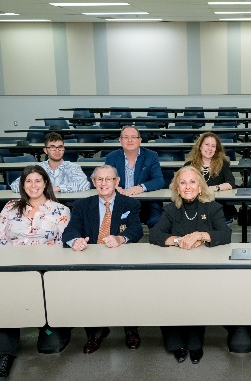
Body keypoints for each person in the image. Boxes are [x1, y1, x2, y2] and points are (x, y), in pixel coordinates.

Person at [0, 165, 70, 381]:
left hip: (45, 272)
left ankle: (52, 327)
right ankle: (3, 357)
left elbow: (64, 245)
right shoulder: (11, 207)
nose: (33, 186)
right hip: (14, 268)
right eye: (28, 181)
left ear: (45, 184)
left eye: (38, 181)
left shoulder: (60, 210)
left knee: (48, 346)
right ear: (23, 185)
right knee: (7, 307)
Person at [149, 166, 231, 364]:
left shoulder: (212, 208)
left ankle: (195, 344)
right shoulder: (170, 209)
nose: (188, 187)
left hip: (202, 270)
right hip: (174, 269)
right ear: (177, 188)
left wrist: (202, 235)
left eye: (192, 182)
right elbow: (155, 235)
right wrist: (179, 241)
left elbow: (226, 234)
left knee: (197, 295)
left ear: (200, 187)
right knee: (169, 296)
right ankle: (176, 344)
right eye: (183, 183)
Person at [62, 165, 144, 354]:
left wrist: (120, 238)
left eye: (108, 179)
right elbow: (71, 230)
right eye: (99, 179)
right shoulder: (82, 205)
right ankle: (96, 331)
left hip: (120, 257)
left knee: (127, 288)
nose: (104, 183)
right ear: (93, 182)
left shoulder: (130, 204)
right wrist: (76, 241)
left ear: (117, 182)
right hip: (91, 257)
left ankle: (130, 327)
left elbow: (136, 229)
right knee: (89, 291)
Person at [104, 125, 164, 227]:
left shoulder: (151, 156)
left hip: (146, 203)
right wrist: (114, 187)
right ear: (120, 140)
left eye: (133, 137)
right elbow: (105, 179)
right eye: (126, 137)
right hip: (119, 202)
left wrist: (141, 188)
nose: (130, 140)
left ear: (140, 140)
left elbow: (159, 180)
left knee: (156, 221)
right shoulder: (112, 157)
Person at [9, 132, 90, 194]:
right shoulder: (37, 169)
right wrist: (40, 188)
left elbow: (84, 185)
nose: (57, 150)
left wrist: (58, 188)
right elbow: (15, 185)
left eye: (60, 147)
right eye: (52, 147)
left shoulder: (73, 167)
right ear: (45, 150)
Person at [184, 131, 237, 220]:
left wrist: (215, 188)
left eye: (213, 146)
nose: (210, 148)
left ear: (216, 149)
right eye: (207, 145)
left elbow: (231, 183)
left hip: (218, 207)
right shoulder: (189, 165)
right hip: (194, 207)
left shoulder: (223, 164)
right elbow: (174, 185)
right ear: (200, 146)